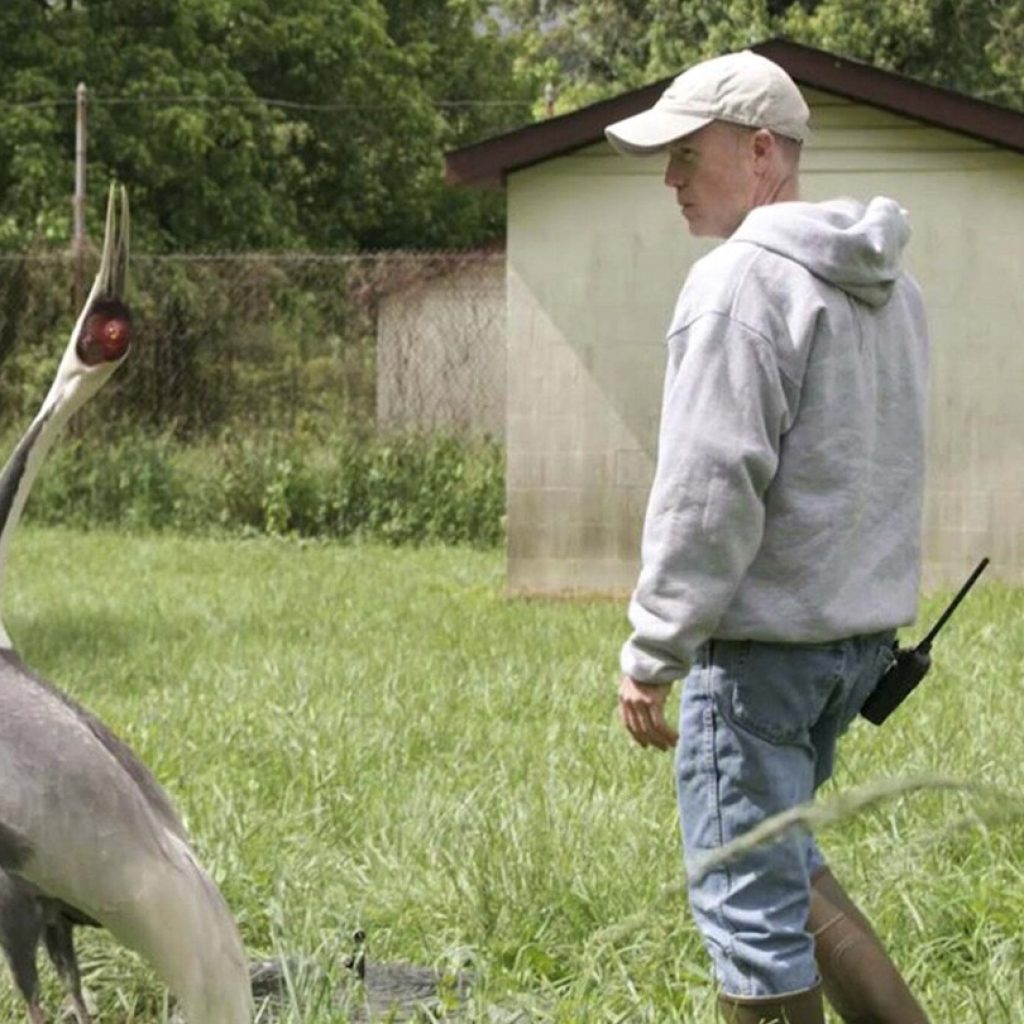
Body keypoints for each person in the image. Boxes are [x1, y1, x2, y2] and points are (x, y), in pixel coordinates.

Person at [604, 51, 932, 1024]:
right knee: (781, 854)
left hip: (757, 664)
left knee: (747, 911)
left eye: (683, 153)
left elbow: (707, 491)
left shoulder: (737, 283)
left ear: (757, 152)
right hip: (848, 653)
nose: (668, 178)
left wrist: (651, 649)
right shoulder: (891, 289)